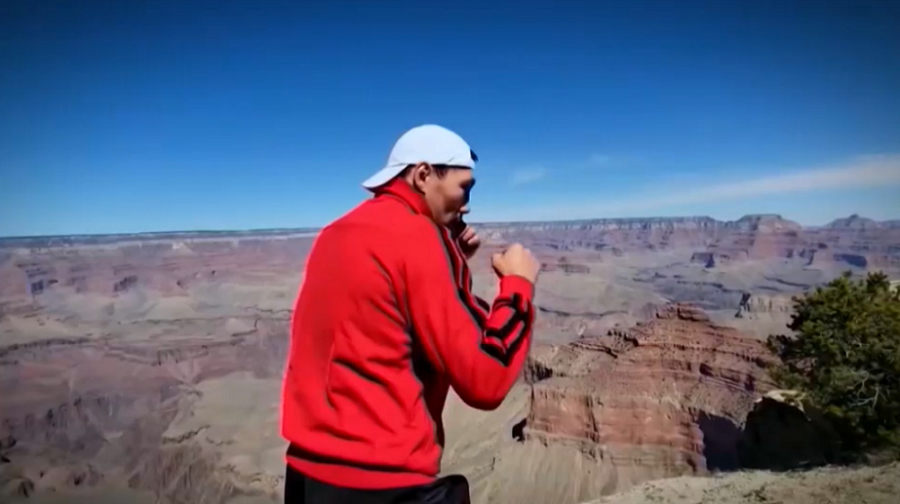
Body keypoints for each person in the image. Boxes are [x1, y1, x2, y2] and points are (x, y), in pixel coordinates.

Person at [280, 124, 541, 504]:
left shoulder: (335, 233)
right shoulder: (417, 237)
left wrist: (449, 261)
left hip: (307, 476)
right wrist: (517, 286)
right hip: (383, 484)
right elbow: (486, 379)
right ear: (422, 175)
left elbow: (382, 315)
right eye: (464, 187)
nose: (467, 204)